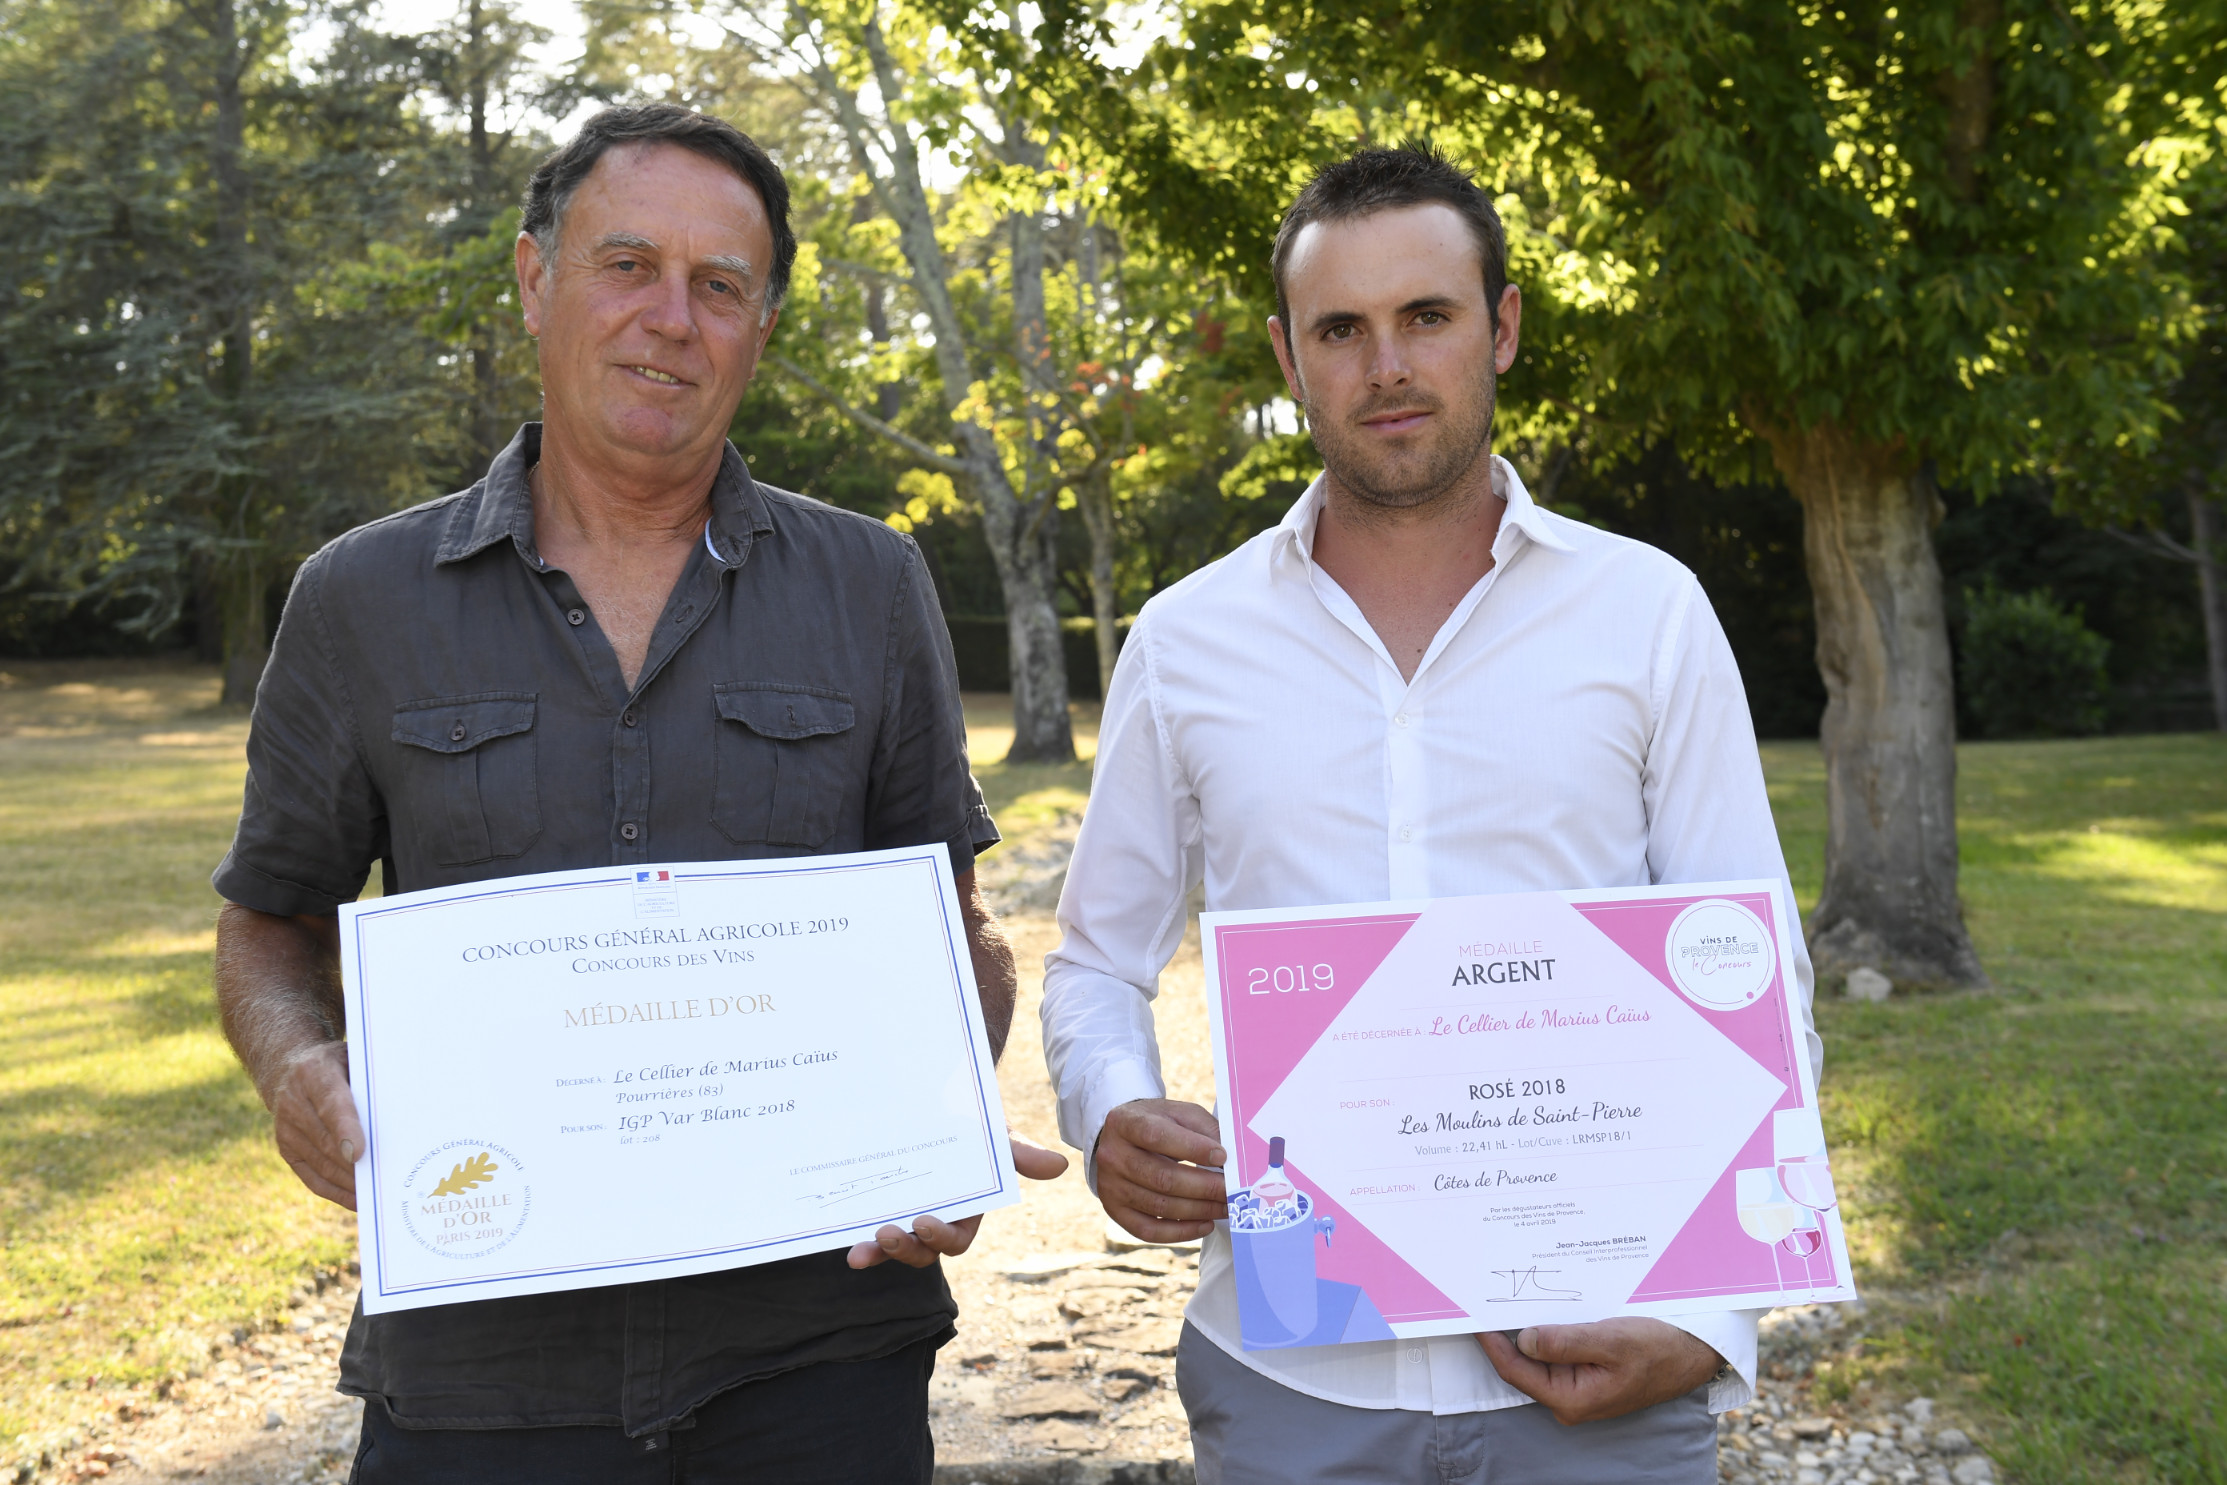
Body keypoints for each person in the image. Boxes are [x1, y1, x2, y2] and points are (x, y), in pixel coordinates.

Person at [211, 103, 1062, 1484]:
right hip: (480, 1370)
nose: (671, 317)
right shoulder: (361, 599)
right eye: (627, 266)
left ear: (760, 330)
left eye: (719, 286)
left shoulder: (871, 586)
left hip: (815, 1363)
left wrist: (943, 1113)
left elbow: (949, 923)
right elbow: (271, 920)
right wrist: (297, 1065)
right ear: (534, 279)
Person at [1041, 144, 1821, 1484]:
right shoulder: (1185, 640)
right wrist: (1115, 1109)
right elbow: (1098, 962)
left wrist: (1714, 1318)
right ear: (1290, 358)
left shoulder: (1648, 613)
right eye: (1341, 329)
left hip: (1605, 1359)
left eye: (1427, 316)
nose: (1386, 366)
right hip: (1291, 1379)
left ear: (1501, 329)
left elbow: (1752, 969)